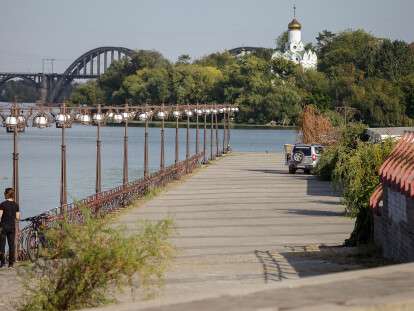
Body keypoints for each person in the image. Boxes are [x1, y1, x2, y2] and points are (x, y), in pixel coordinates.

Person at [0, 188, 20, 268]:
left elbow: (0, 216)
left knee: (2, 245)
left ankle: (2, 263)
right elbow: (18, 217)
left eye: (5, 193)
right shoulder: (16, 205)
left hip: (3, 227)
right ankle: (11, 264)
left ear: (6, 194)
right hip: (12, 227)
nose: (4, 194)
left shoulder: (2, 204)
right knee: (11, 245)